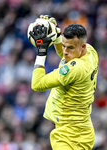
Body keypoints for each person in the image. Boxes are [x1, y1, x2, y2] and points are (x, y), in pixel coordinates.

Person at [29, 15, 99, 150]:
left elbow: (37, 84)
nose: (65, 51)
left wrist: (41, 51)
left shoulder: (75, 69)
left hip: (69, 135)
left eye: (70, 48)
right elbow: (65, 54)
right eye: (64, 45)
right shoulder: (90, 51)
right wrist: (56, 34)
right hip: (82, 129)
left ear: (82, 46)